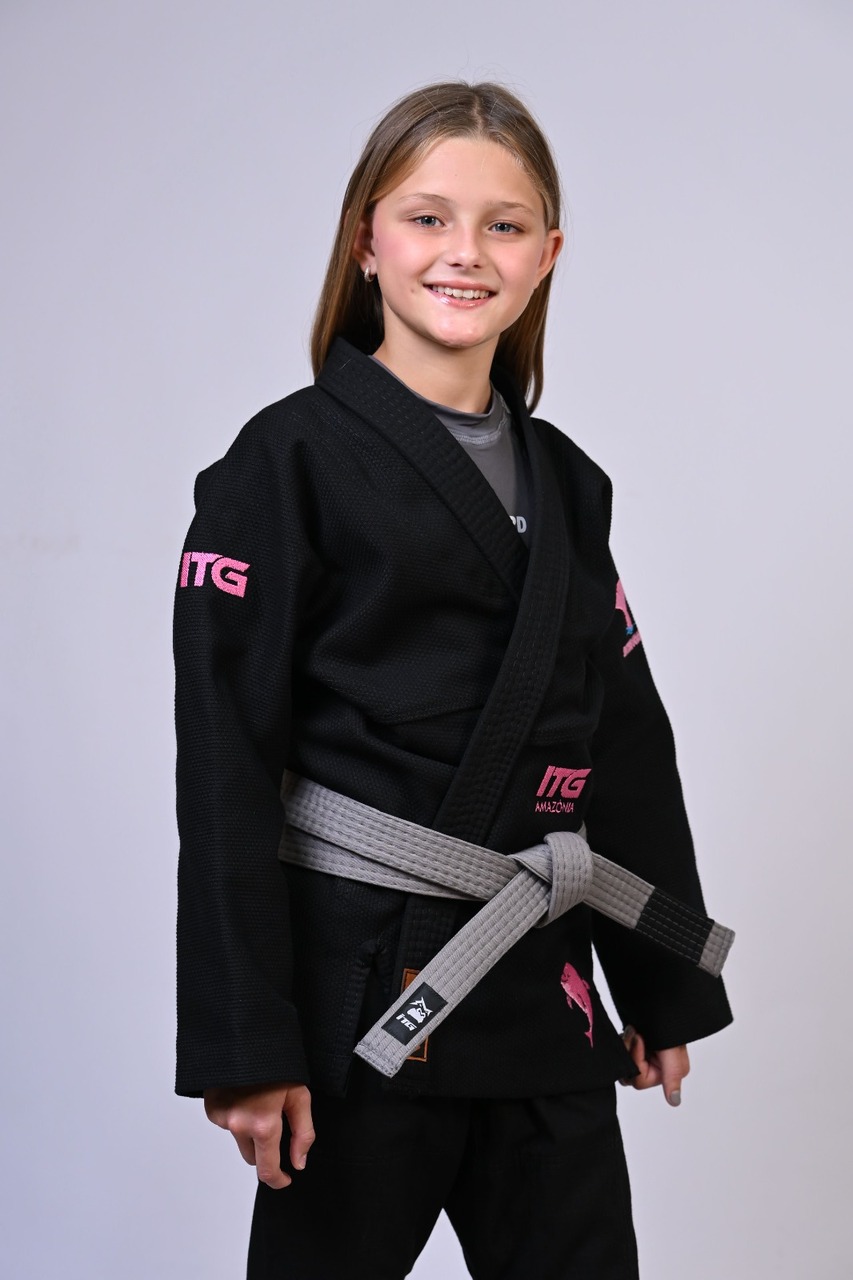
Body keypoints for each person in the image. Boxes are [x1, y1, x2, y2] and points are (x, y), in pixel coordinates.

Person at [174, 81, 733, 1279]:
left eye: (503, 224)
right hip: (363, 1005)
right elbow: (225, 763)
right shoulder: (284, 463)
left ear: (546, 256)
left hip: (543, 991)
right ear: (366, 241)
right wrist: (245, 1038)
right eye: (427, 217)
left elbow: (622, 739)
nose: (464, 252)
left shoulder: (569, 484)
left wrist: (664, 981)